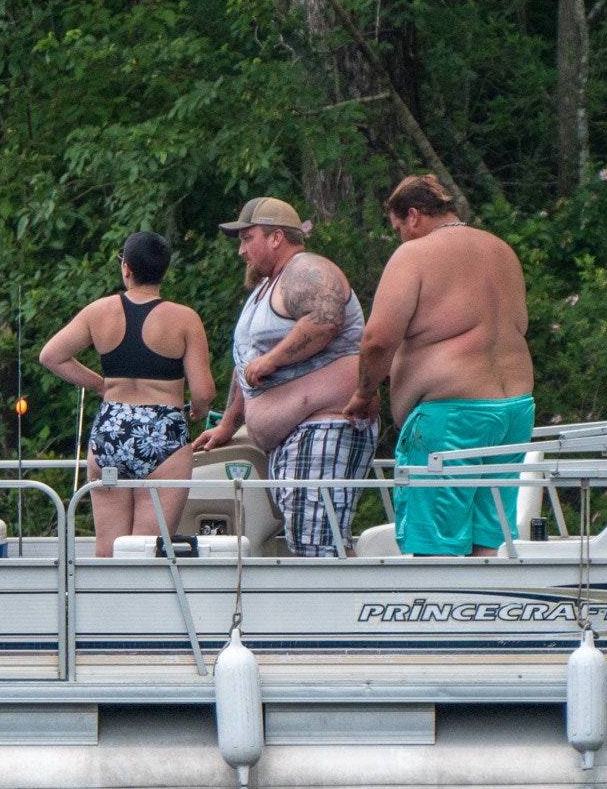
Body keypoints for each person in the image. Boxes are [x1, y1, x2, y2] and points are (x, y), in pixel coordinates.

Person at [342, 175, 535, 556]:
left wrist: (365, 393)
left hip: (452, 421)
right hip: (514, 412)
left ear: (413, 215)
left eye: (398, 228)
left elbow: (378, 340)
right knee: (490, 541)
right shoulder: (501, 250)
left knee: (436, 550)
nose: (400, 238)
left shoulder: (414, 255)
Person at [191, 197, 375, 557]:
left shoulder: (306, 269)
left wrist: (272, 361)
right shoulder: (267, 288)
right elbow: (246, 365)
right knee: (311, 544)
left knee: (318, 546)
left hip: (322, 427)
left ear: (276, 237)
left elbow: (326, 320)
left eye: (248, 239)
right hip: (293, 438)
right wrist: (228, 424)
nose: (242, 251)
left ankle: (344, 599)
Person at [39, 232, 217, 557]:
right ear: (164, 271)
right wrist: (199, 409)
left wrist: (99, 384)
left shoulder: (99, 311)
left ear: (127, 269)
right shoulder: (184, 319)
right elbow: (203, 391)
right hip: (162, 433)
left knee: (108, 550)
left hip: (111, 430)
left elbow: (51, 356)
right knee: (147, 552)